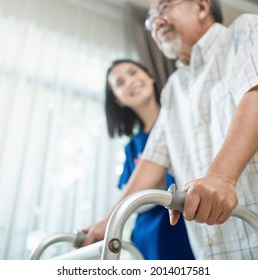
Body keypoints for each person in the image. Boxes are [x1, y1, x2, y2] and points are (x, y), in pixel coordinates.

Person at [82, 0, 258, 260]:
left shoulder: (246, 30)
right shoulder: (173, 90)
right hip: (217, 255)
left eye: (164, 8)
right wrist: (110, 221)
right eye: (150, 19)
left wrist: (221, 178)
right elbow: (152, 161)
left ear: (201, 6)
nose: (156, 22)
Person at [81, 59, 194, 260]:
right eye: (120, 83)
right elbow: (133, 197)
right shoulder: (132, 147)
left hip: (184, 230)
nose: (130, 82)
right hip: (148, 238)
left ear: (150, 77)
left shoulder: (185, 121)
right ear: (118, 100)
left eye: (133, 73)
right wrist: (110, 221)